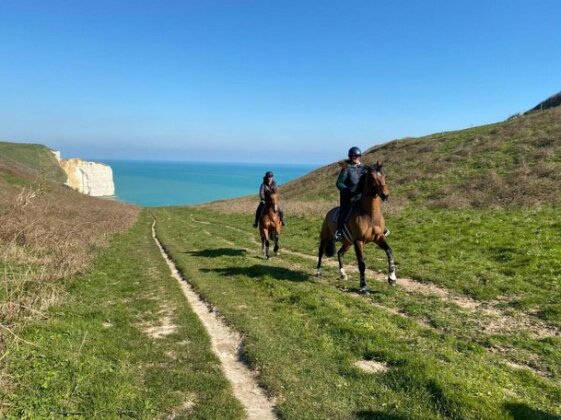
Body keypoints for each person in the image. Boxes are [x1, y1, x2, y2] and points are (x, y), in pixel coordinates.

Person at [334, 147, 365, 240]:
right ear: (350, 157)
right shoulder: (346, 168)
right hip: (348, 196)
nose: (356, 158)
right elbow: (339, 183)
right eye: (354, 156)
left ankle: (380, 228)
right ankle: (339, 231)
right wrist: (347, 190)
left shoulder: (363, 168)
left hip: (360, 196)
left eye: (358, 156)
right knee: (344, 211)